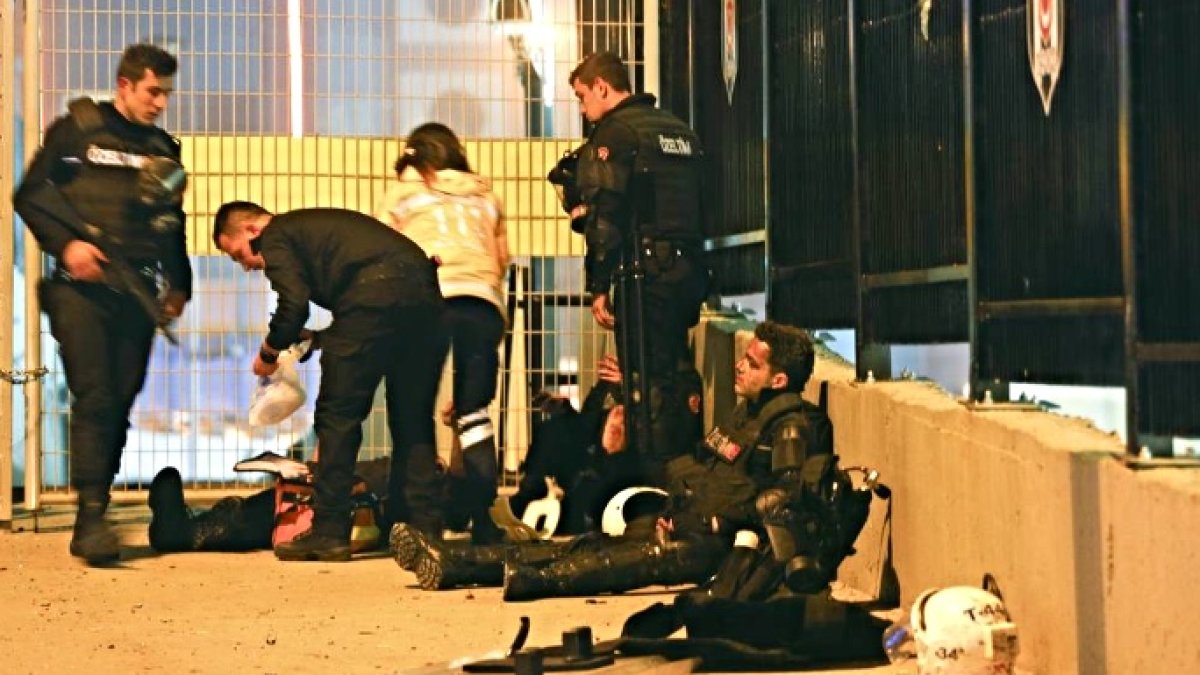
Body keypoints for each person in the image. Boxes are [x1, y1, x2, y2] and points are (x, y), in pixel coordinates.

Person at [392, 322, 837, 602]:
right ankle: (452, 562)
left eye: (752, 364)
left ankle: (526, 581)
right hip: (685, 518)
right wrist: (678, 510)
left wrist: (712, 523)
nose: (739, 367)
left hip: (720, 546)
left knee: (613, 564)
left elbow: (780, 503)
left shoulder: (792, 426)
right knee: (581, 546)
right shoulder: (749, 415)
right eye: (742, 358)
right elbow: (705, 473)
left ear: (779, 379)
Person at [13, 43, 190, 564]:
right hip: (78, 287)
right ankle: (91, 518)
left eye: (166, 94)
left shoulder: (164, 147)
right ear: (125, 86)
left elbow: (170, 222)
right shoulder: (80, 127)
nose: (160, 103)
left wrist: (179, 285)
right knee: (95, 394)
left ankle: (98, 502)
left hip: (136, 290)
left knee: (120, 399)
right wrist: (67, 245)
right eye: (153, 91)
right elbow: (29, 195)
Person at [212, 201, 447, 561]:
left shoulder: (276, 236)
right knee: (412, 419)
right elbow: (370, 306)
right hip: (424, 299)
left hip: (372, 298)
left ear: (251, 231)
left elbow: (293, 305)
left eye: (238, 255)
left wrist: (268, 353)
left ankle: (329, 531)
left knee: (338, 418)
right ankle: (423, 527)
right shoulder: (321, 231)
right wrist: (322, 338)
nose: (246, 266)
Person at [550, 51, 709, 488]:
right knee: (675, 371)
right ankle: (684, 468)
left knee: (642, 380)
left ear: (602, 87)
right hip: (689, 271)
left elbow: (606, 219)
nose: (583, 110)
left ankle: (654, 485)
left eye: (583, 97)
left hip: (647, 275)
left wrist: (598, 286)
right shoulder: (679, 131)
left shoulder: (616, 133)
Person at [375, 122, 509, 544]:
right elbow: (501, 258)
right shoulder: (486, 194)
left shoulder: (402, 194)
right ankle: (481, 515)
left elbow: (385, 256)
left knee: (412, 410)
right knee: (473, 413)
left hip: (428, 300)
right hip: (482, 302)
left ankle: (424, 522)